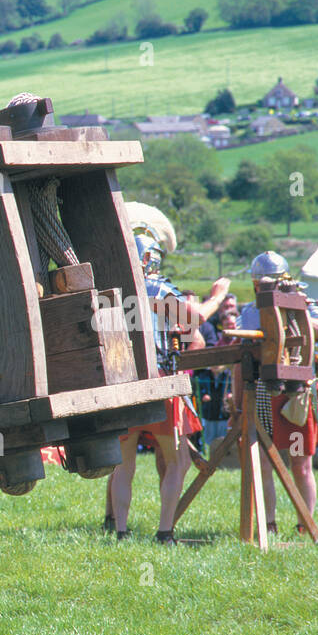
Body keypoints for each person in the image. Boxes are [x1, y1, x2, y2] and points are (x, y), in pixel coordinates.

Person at [105, 205, 226, 542]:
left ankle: (121, 531)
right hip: (159, 383)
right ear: (153, 259)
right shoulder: (159, 290)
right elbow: (196, 318)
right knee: (177, 461)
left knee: (123, 464)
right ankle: (164, 531)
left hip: (123, 384)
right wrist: (217, 297)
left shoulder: (112, 291)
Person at [237, 251, 318, 535]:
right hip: (263, 392)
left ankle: (306, 525)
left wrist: (294, 310)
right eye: (259, 284)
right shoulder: (249, 311)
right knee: (265, 462)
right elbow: (243, 352)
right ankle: (269, 524)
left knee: (299, 462)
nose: (262, 289)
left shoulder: (304, 302)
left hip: (296, 395)